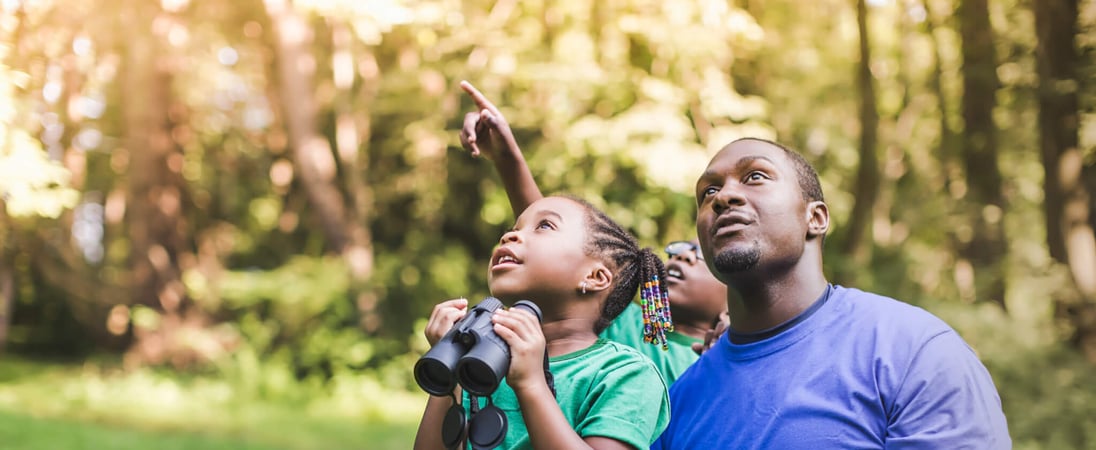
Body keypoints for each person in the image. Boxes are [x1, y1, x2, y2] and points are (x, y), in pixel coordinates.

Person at [651, 137, 1011, 448]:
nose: (724, 196)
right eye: (708, 191)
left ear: (816, 218)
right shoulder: (679, 402)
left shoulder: (911, 351)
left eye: (755, 177)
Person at [456, 80, 726, 384]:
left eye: (700, 255)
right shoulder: (634, 327)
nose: (682, 258)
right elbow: (558, 253)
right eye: (677, 251)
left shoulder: (722, 358)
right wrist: (508, 159)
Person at [412, 201, 673, 446]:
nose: (508, 236)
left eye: (544, 226)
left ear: (594, 277)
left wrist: (531, 383)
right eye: (513, 229)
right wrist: (447, 377)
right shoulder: (478, 363)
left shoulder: (625, 373)